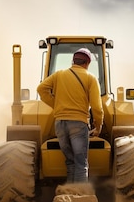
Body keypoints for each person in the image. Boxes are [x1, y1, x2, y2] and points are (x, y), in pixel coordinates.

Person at [37, 48, 104, 184]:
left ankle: (70, 194)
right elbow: (97, 108)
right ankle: (79, 196)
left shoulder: (59, 75)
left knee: (70, 161)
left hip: (60, 124)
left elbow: (41, 89)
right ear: (87, 63)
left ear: (73, 61)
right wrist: (98, 126)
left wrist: (56, 104)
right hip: (78, 124)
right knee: (81, 163)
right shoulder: (90, 78)